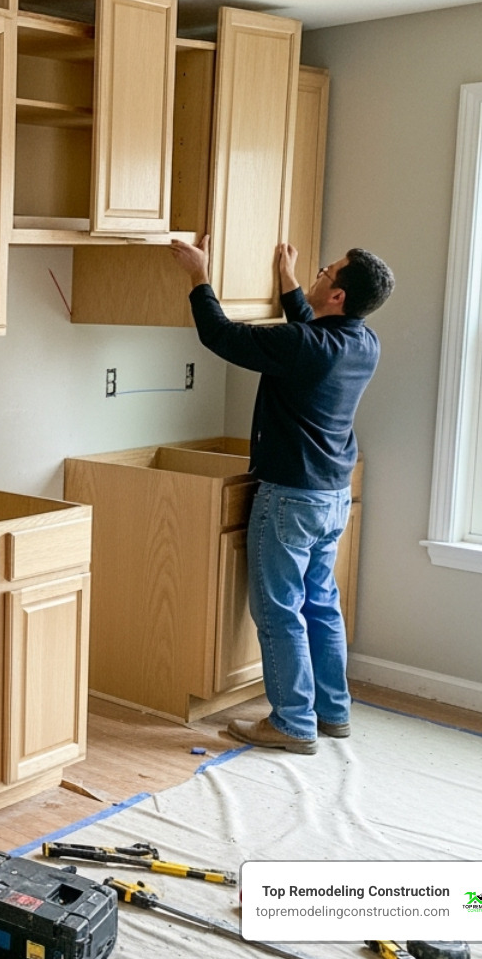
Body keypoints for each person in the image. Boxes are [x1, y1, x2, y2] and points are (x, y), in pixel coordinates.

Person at [169, 237, 394, 755]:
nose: (320, 270)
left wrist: (199, 276)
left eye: (327, 271)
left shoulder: (305, 348)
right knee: (321, 604)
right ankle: (331, 711)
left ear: (337, 296)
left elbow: (221, 336)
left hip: (292, 496)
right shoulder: (364, 343)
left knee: (278, 610)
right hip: (332, 494)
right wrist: (292, 282)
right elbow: (308, 334)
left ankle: (292, 722)